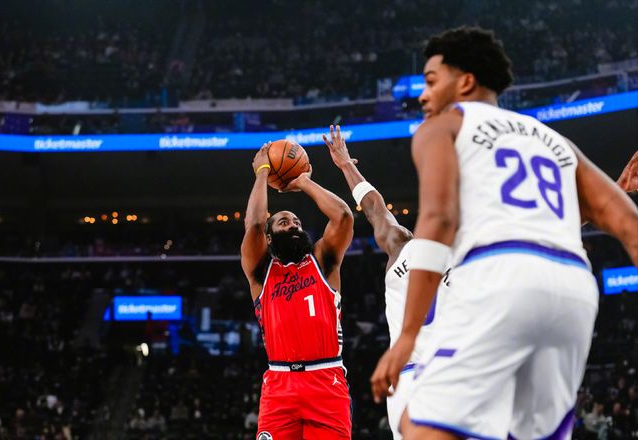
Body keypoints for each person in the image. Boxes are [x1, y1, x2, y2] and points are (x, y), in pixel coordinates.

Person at [370, 27, 638, 440]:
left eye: (431, 81)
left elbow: (438, 219)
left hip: (500, 278)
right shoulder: (553, 140)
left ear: (465, 82)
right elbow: (627, 223)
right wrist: (617, 190)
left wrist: (406, 337)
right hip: (574, 290)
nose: (423, 96)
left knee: (417, 427)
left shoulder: (441, 128)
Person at [323, 124, 445, 439]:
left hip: (407, 381)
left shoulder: (402, 245)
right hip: (454, 373)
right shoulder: (473, 259)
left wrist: (347, 166)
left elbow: (375, 209)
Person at [241, 142, 354, 439]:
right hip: (279, 383)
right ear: (269, 237)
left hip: (326, 380)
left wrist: (303, 181)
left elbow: (343, 217)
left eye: (297, 222)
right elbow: (254, 224)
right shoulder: (261, 272)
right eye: (283, 222)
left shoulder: (323, 261)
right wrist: (262, 172)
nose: (293, 225)